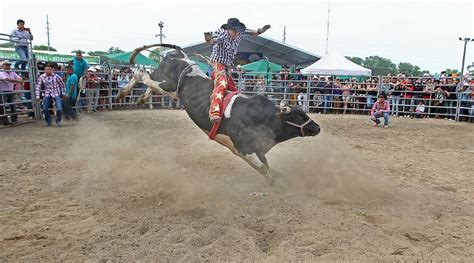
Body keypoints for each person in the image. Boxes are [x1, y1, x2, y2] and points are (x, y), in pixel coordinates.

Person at [204, 18, 271, 123]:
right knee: (222, 84)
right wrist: (208, 38)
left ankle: (235, 111)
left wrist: (260, 31)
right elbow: (212, 41)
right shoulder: (222, 34)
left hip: (226, 66)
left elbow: (251, 32)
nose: (236, 33)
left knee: (233, 89)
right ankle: (214, 112)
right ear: (228, 29)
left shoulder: (239, 33)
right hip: (216, 64)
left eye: (237, 31)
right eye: (234, 31)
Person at [0, 60, 23, 125]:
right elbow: (6, 79)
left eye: (9, 65)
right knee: (3, 107)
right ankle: (5, 121)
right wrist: (17, 81)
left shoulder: (12, 72)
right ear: (3, 66)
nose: (8, 66)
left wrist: (20, 80)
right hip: (3, 91)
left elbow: (19, 78)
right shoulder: (1, 72)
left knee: (12, 106)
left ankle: (13, 120)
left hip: (10, 90)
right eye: (6, 65)